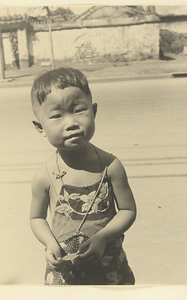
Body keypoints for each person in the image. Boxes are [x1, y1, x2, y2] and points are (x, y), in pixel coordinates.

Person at [30, 67, 136, 285]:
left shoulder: (110, 166)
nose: (71, 123)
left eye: (79, 110)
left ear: (94, 111)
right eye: (57, 116)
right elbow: (36, 218)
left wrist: (103, 237)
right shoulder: (44, 176)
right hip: (65, 270)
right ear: (40, 128)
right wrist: (50, 244)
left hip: (110, 268)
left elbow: (128, 210)